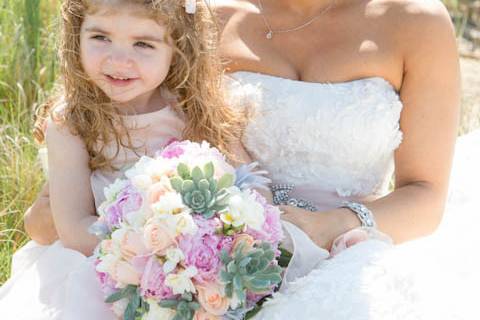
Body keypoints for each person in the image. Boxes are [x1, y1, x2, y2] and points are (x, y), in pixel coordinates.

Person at [18, 0, 480, 318]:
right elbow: (114, 118)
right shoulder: (194, 12)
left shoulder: (417, 22)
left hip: (343, 249)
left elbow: (425, 195)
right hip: (188, 246)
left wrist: (328, 226)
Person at [0, 0, 247, 319]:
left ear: (178, 47)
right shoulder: (71, 124)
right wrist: (156, 253)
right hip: (99, 263)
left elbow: (249, 182)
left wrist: (221, 236)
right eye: (100, 37)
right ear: (76, 35)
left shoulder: (194, 111)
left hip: (191, 265)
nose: (118, 60)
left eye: (143, 44)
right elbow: (75, 229)